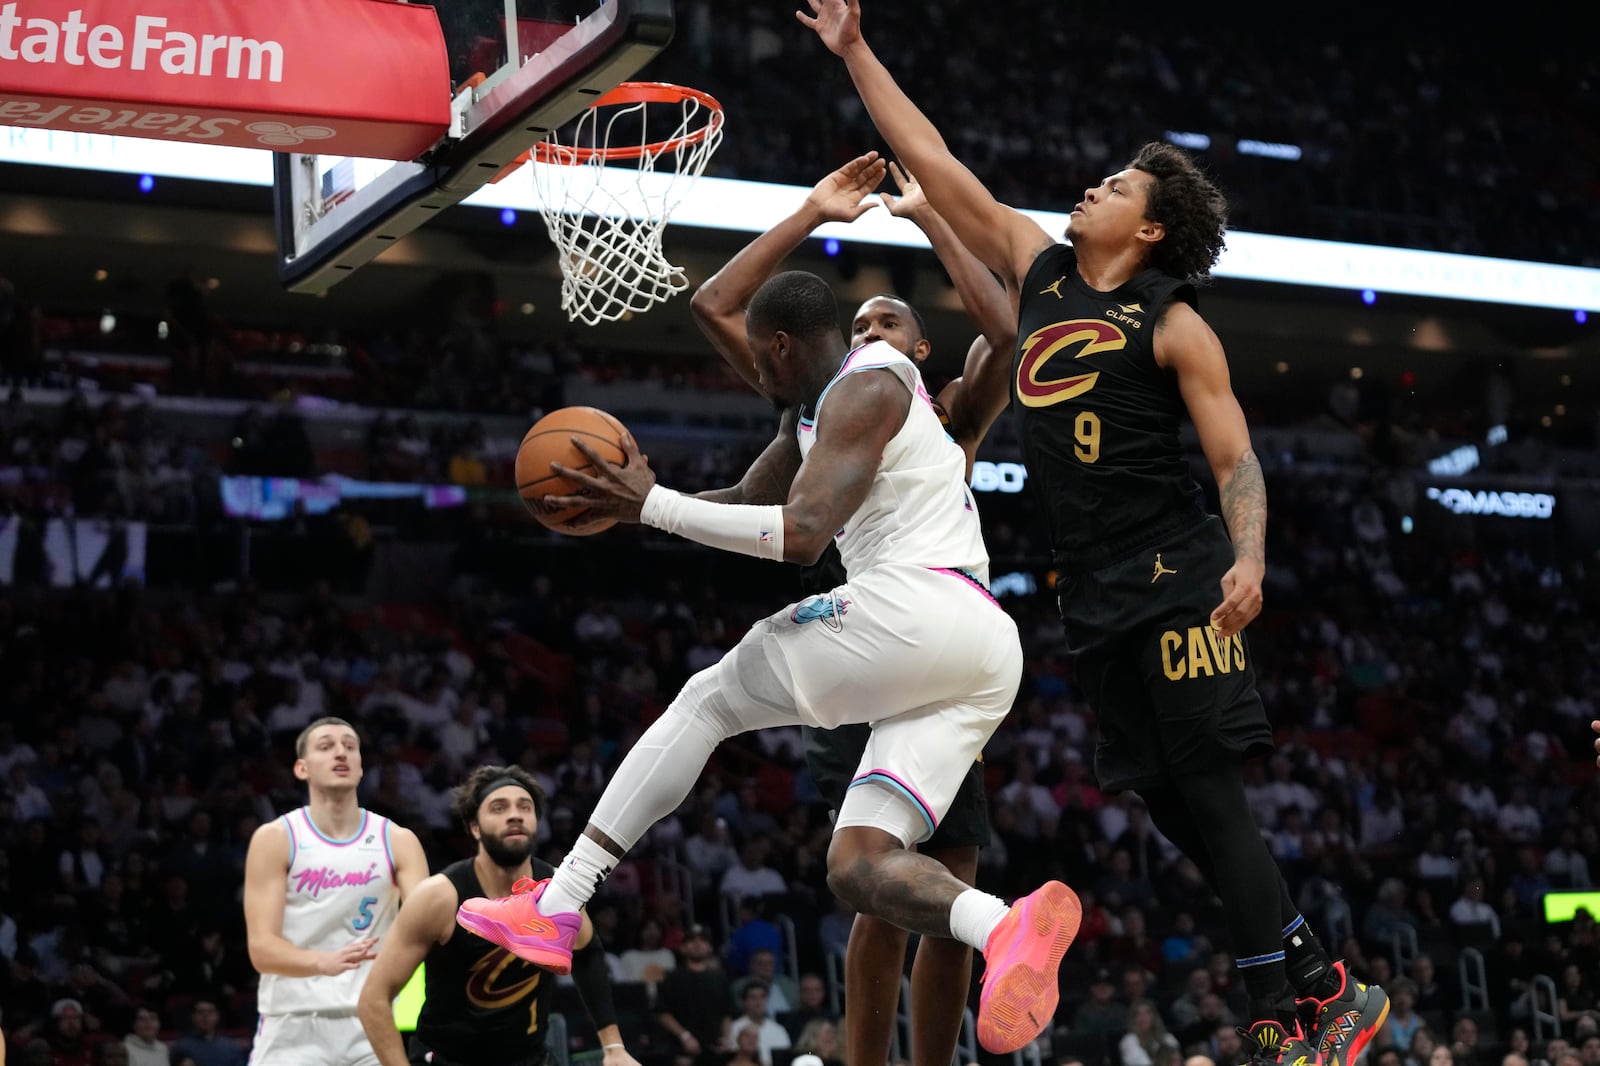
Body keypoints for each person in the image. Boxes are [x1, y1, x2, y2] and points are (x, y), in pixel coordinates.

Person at [797, 3, 1388, 1063]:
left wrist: (1249, 555)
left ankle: (1291, 1013)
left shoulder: (1172, 322)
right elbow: (934, 159)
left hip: (1178, 572)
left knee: (1206, 787)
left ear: (1149, 229)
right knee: (1163, 799)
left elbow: (1235, 458)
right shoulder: (1040, 270)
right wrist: (854, 50)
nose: (1091, 187)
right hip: (1093, 589)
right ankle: (1311, 970)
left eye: (1115, 186)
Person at [457, 268, 1077, 1055]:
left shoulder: (871, 383)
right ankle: (1007, 922)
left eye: (760, 356)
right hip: (976, 651)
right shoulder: (811, 414)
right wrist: (636, 506)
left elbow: (803, 534)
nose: (756, 371)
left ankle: (563, 897)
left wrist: (652, 504)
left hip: (917, 607)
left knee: (708, 702)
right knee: (858, 867)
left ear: (781, 346)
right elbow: (751, 501)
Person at [689, 151, 1015, 1066]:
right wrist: (651, 506)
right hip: (863, 639)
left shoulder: (949, 412)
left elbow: (1009, 326)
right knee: (874, 886)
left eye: (887, 319)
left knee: (947, 883)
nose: (865, 326)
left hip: (941, 640)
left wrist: (929, 219)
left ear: (917, 350)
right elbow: (717, 311)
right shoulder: (823, 412)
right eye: (856, 318)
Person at [356, 765, 639, 1066]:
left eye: (524, 807)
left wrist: (613, 1047)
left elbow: (588, 953)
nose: (514, 815)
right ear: (474, 827)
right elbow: (373, 999)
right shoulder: (439, 896)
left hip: (531, 1058)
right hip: (447, 1059)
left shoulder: (558, 889)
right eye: (499, 808)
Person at [242, 717, 429, 1066]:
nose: (340, 752)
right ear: (301, 768)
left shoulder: (397, 841)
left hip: (371, 1022)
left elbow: (426, 930)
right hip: (293, 1022)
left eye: (350, 746)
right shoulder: (276, 838)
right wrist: (323, 962)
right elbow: (261, 949)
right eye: (326, 747)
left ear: (361, 766)